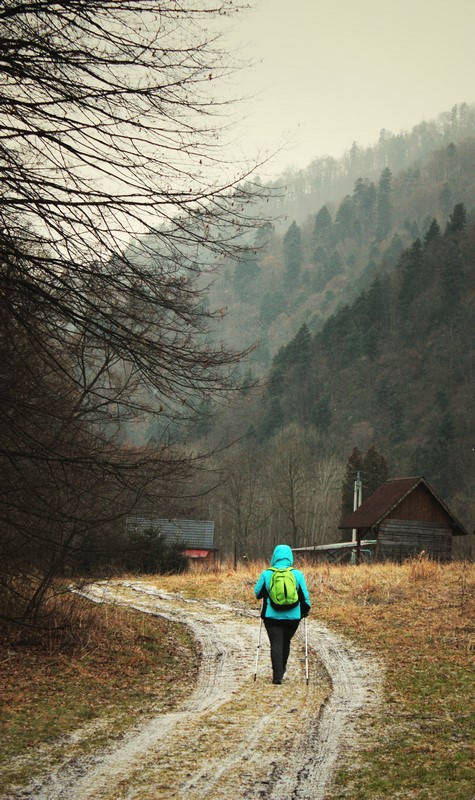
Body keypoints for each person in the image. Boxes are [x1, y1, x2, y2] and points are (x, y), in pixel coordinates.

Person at [254, 544, 311, 684]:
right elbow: (304, 596)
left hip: (272, 617)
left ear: (274, 557)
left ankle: (277, 675)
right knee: (286, 642)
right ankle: (282, 667)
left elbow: (257, 593)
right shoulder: (297, 574)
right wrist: (305, 610)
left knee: (276, 643)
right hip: (293, 617)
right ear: (290, 557)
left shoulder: (267, 573)